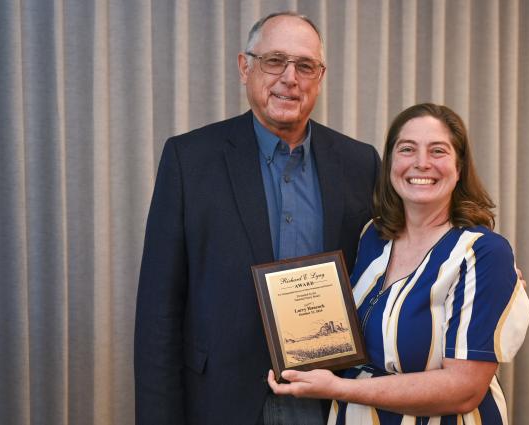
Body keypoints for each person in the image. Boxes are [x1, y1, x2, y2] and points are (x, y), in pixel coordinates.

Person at [134, 12, 380, 425]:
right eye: (274, 61)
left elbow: (390, 264)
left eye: (305, 66)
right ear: (244, 67)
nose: (290, 78)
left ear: (319, 77)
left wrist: (469, 260)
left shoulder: (360, 163)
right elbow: (159, 309)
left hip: (329, 398)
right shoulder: (190, 160)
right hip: (220, 400)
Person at [268, 103, 529, 424]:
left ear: (459, 166)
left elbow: (464, 389)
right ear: (391, 162)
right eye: (407, 149)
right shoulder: (373, 236)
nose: (421, 164)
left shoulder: (483, 253)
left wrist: (339, 388)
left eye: (438, 151)